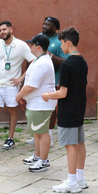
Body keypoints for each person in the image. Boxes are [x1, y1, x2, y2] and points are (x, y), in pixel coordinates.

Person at [42, 27, 88, 193]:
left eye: (62, 44)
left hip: (68, 110)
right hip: (79, 108)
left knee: (70, 145)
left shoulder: (67, 65)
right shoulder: (82, 61)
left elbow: (63, 92)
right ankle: (80, 178)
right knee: (80, 143)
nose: (61, 47)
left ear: (68, 43)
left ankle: (72, 181)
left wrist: (48, 95)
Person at [0, 21, 35, 150]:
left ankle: (10, 138)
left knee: (12, 110)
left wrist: (21, 78)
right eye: (0, 30)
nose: (2, 32)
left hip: (11, 85)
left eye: (4, 29)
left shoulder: (21, 45)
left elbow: (34, 61)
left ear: (11, 29)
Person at [15, 34, 57, 172]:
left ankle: (44, 161)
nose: (30, 47)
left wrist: (19, 96)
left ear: (38, 47)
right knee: (37, 131)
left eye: (32, 45)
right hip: (36, 102)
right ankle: (37, 156)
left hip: (41, 103)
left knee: (42, 132)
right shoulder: (38, 60)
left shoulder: (42, 63)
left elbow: (31, 85)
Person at [26, 16, 68, 146]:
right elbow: (30, 58)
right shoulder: (38, 37)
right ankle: (36, 133)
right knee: (35, 106)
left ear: (55, 28)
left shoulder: (59, 41)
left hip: (52, 81)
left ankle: (48, 134)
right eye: (43, 24)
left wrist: (50, 55)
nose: (44, 26)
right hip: (36, 81)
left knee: (49, 109)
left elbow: (66, 62)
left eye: (48, 24)